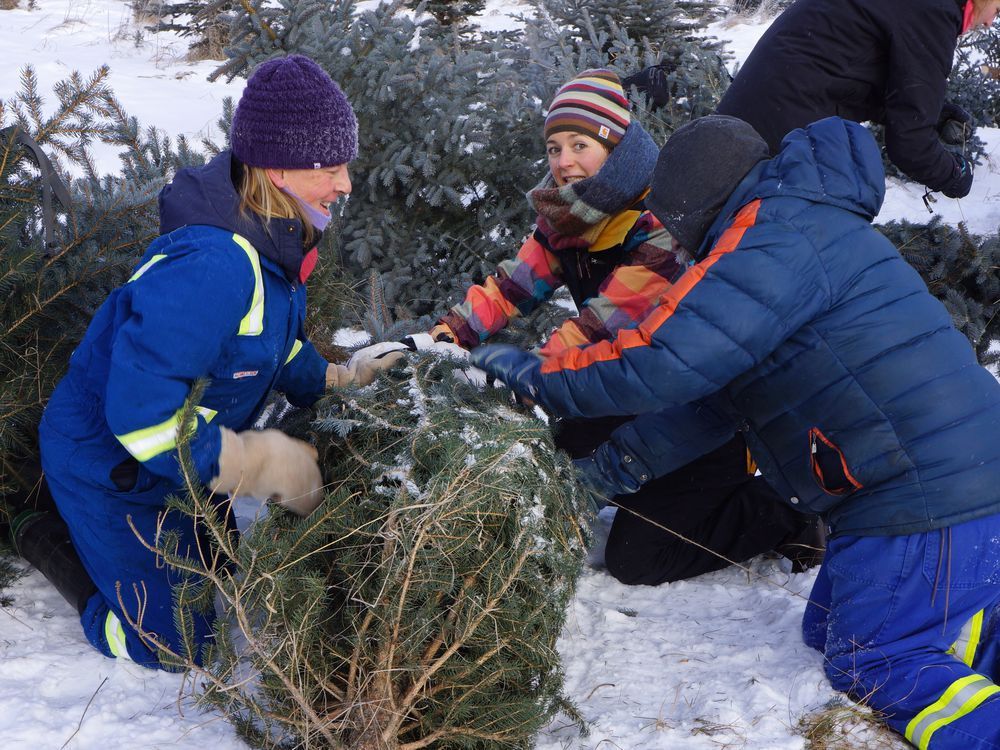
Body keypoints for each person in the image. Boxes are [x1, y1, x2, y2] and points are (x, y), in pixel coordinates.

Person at [470, 114, 1000, 748]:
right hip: (954, 481)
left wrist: (529, 374)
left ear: (697, 204)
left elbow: (660, 364)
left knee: (874, 660)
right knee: (827, 629)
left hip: (926, 496)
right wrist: (594, 478)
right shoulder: (790, 228)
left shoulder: (768, 243)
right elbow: (710, 407)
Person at [352, 69, 822, 585]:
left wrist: (509, 378)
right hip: (629, 390)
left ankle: (785, 512)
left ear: (616, 149)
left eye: (580, 145)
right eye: (554, 148)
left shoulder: (660, 223)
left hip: (694, 415)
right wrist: (439, 338)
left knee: (637, 560)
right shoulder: (570, 217)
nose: (563, 161)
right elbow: (511, 288)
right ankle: (637, 488)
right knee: (546, 446)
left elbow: (600, 328)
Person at [10, 55, 402, 670]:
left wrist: (335, 378)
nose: (345, 184)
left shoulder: (275, 238)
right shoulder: (213, 267)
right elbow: (142, 414)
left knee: (221, 570)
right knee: (176, 644)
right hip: (111, 462)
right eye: (329, 169)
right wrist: (253, 461)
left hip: (174, 461)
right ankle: (39, 530)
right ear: (277, 169)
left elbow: (272, 346)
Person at [625, 0, 1000, 199]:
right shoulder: (933, 10)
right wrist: (955, 175)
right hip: (775, 143)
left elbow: (847, 74)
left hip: (752, 117)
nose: (988, 23)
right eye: (997, 10)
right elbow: (910, 147)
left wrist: (934, 114)